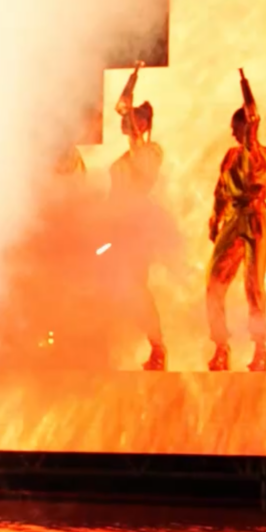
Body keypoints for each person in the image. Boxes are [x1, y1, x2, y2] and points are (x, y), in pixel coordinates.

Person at [205, 70, 266, 372]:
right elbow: (221, 189)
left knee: (253, 286)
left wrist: (246, 88)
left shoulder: (265, 155)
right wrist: (215, 217)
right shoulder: (230, 156)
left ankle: (260, 348)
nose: (233, 133)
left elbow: (257, 174)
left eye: (237, 127)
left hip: (254, 218)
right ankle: (221, 346)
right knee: (214, 282)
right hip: (233, 219)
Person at [110, 63, 167, 371]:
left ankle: (157, 345)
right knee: (104, 282)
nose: (128, 123)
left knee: (135, 286)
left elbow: (142, 165)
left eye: (135, 120)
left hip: (135, 230)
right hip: (114, 230)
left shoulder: (150, 153)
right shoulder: (123, 160)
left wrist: (131, 87)